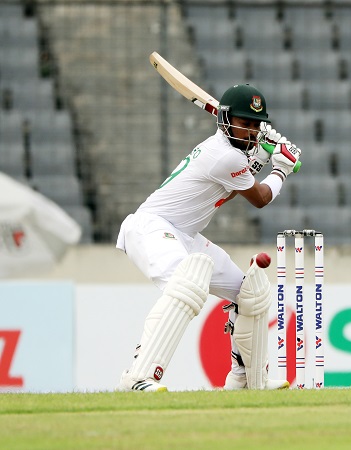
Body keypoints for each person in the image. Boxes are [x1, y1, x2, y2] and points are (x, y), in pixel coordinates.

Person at [114, 84, 302, 392]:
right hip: (152, 227)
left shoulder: (230, 157)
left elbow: (222, 194)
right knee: (186, 286)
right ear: (226, 120)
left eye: (256, 125)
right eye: (245, 124)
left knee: (250, 293)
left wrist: (256, 164)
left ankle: (247, 380)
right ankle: (137, 376)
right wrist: (280, 169)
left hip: (184, 234)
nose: (252, 132)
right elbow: (260, 198)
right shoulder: (225, 156)